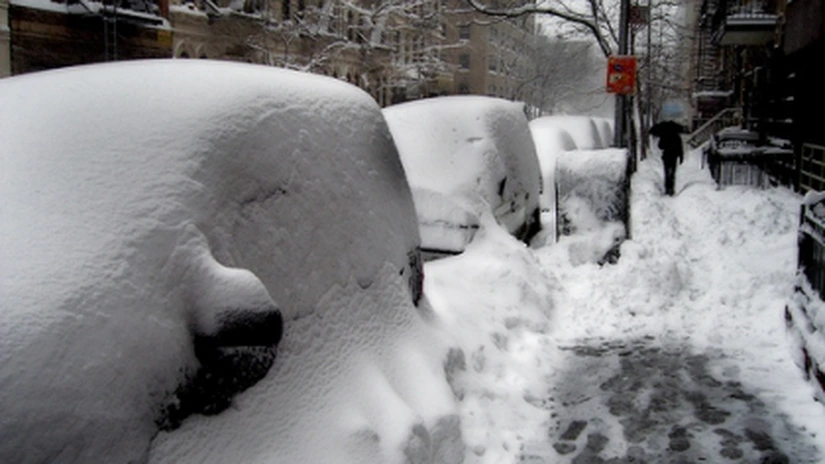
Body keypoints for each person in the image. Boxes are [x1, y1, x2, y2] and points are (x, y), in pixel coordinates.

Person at [649, 120, 686, 196]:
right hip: (674, 156)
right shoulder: (676, 136)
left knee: (666, 171)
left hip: (666, 155)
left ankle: (667, 188)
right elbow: (680, 147)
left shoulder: (664, 135)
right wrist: (681, 157)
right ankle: (671, 188)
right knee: (672, 172)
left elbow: (660, 146)